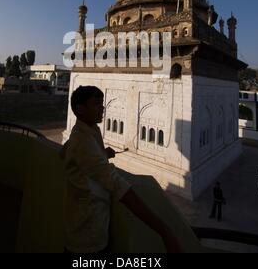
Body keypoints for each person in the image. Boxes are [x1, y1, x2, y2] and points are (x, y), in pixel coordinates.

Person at [61, 86, 182, 254]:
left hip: (93, 228)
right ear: (81, 109)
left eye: (102, 103)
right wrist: (164, 231)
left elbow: (70, 152)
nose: (102, 108)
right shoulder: (82, 141)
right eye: (96, 104)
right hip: (86, 239)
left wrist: (102, 154)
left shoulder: (88, 130)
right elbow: (118, 186)